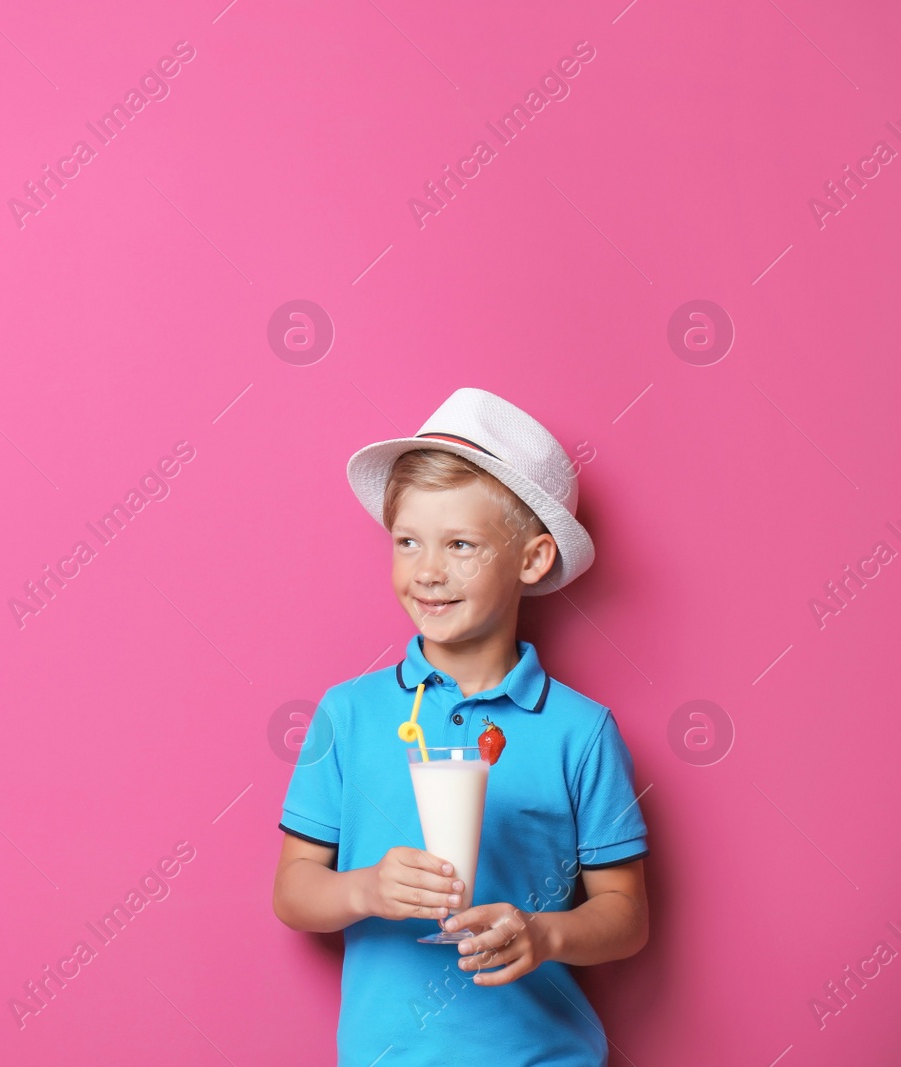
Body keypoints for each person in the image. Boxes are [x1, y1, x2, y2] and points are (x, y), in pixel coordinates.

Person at [272, 387, 649, 1066]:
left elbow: (625, 914)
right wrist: (365, 887)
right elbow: (293, 892)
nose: (427, 570)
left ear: (531, 560)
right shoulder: (348, 714)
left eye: (461, 544)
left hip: (543, 1054)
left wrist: (545, 934)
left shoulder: (581, 731)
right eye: (408, 541)